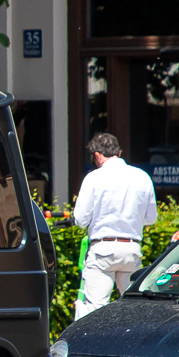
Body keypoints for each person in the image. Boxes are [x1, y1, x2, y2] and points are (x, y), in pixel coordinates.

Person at [71, 132, 159, 319]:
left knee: (95, 310)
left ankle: (93, 346)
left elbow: (80, 219)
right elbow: (151, 218)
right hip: (132, 250)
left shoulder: (94, 178)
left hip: (103, 249)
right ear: (119, 152)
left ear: (97, 155)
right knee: (135, 308)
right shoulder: (141, 177)